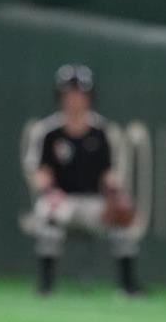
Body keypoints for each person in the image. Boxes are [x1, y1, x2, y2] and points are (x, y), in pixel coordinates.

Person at [24, 64, 142, 296]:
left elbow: (110, 173)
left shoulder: (101, 131)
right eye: (70, 94)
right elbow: (39, 172)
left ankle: (129, 287)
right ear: (60, 96)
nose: (75, 99)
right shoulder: (49, 131)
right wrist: (49, 191)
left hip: (92, 203)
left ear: (89, 97)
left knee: (122, 220)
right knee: (49, 211)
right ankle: (46, 286)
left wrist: (116, 194)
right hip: (62, 200)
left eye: (80, 94)